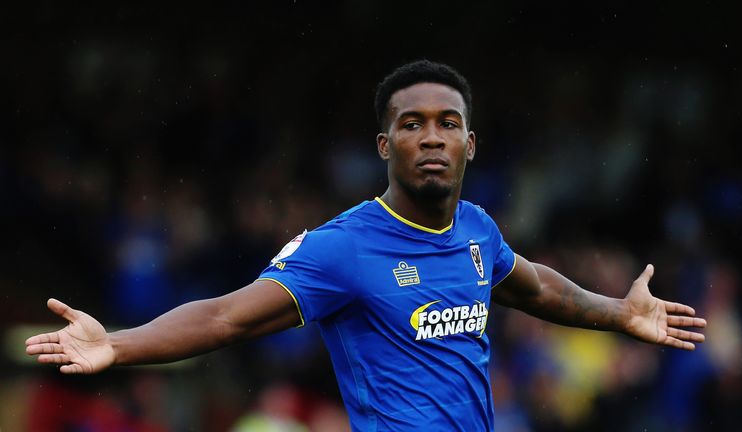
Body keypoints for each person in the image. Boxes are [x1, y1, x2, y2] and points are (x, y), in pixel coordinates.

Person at [26, 60, 707, 431]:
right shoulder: (342, 248)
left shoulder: (477, 229)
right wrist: (118, 343)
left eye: (448, 123)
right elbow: (226, 316)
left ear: (471, 143)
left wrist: (617, 312)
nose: (432, 137)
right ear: (387, 146)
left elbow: (537, 287)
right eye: (412, 125)